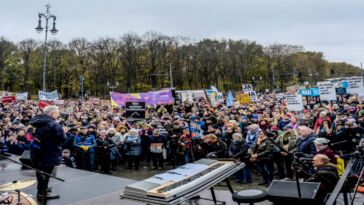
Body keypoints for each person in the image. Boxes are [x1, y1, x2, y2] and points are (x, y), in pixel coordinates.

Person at [29, 106, 66, 201]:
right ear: (52, 113)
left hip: (38, 151)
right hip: (49, 152)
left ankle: (42, 188)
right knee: (46, 173)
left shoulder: (38, 121)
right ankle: (42, 194)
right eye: (57, 113)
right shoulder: (53, 124)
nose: (58, 115)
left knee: (40, 172)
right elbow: (62, 138)